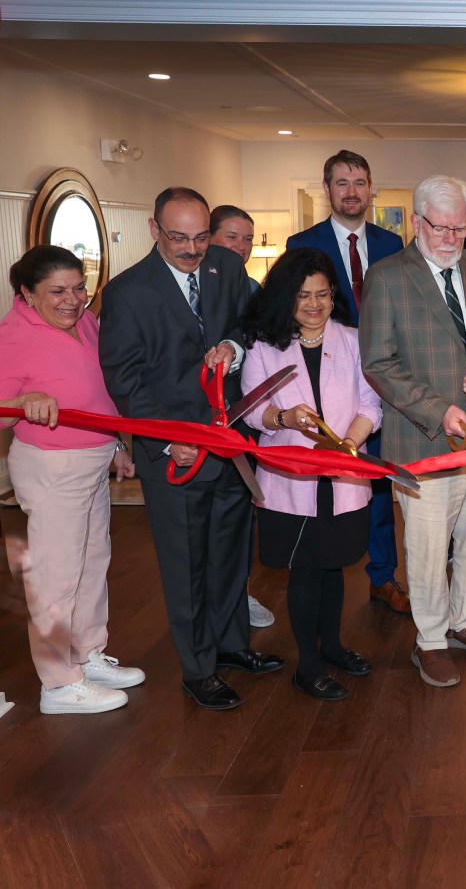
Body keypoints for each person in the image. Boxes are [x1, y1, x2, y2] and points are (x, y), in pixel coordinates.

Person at [100, 187, 283, 710]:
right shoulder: (127, 293)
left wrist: (234, 345)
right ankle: (198, 667)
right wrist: (166, 439)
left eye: (201, 236)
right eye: (179, 237)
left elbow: (251, 327)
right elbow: (125, 381)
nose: (192, 249)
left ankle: (231, 645)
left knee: (230, 554)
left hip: (232, 442)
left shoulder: (226, 266)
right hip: (175, 452)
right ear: (154, 229)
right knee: (186, 564)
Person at [360, 174, 466, 689]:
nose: (450, 239)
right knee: (426, 546)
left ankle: (463, 620)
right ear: (417, 221)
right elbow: (378, 363)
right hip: (421, 438)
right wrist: (438, 409)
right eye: (440, 228)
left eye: (459, 228)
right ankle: (429, 641)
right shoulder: (387, 276)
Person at [0, 246, 143, 714]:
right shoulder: (13, 336)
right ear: (26, 293)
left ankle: (84, 654)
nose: (73, 299)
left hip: (93, 458)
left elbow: (100, 391)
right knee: (55, 577)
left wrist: (117, 445)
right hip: (51, 467)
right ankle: (58, 685)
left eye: (79, 287)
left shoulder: (82, 319)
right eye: (57, 291)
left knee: (91, 562)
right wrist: (24, 400)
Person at [241, 248, 381, 700]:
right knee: (304, 570)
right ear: (287, 297)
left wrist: (349, 446)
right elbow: (252, 411)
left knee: (334, 565)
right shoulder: (264, 345)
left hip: (341, 472)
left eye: (323, 294)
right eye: (304, 296)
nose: (314, 305)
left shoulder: (353, 340)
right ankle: (309, 663)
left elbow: (369, 404)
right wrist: (283, 419)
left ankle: (335, 646)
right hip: (291, 477)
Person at [287, 151, 407, 615]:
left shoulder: (392, 243)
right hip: (326, 378)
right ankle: (324, 570)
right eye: (342, 183)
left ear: (371, 187)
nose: (352, 191)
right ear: (327, 189)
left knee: (375, 479)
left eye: (360, 182)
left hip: (383, 378)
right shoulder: (303, 243)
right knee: (328, 482)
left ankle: (383, 577)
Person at [209, 203, 275, 629]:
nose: (241, 246)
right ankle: (213, 604)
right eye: (231, 237)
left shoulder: (252, 288)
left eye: (248, 238)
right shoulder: (199, 287)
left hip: (245, 415)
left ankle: (239, 593)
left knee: (240, 512)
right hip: (202, 417)